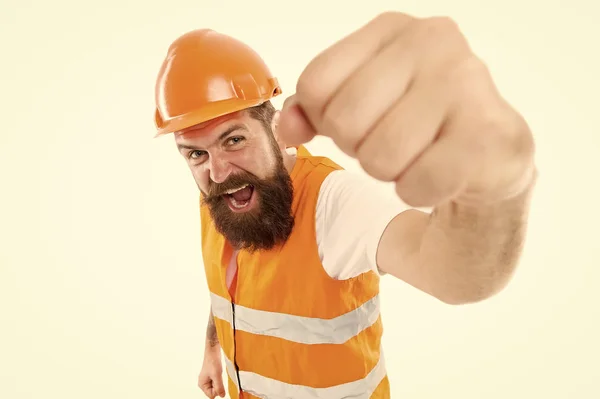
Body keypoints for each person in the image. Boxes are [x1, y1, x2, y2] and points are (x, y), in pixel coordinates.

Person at [153, 12, 537, 399]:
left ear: (276, 128)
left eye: (234, 140)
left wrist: (495, 190)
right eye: (195, 154)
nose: (217, 172)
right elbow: (228, 285)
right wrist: (213, 349)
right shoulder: (219, 200)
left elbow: (459, 274)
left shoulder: (334, 202)